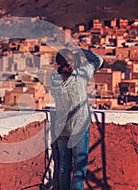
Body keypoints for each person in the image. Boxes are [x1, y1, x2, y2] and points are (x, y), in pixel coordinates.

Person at [50, 48, 103, 190]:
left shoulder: (53, 79)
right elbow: (98, 60)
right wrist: (81, 50)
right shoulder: (80, 75)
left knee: (63, 168)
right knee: (79, 169)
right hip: (79, 127)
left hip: (61, 129)